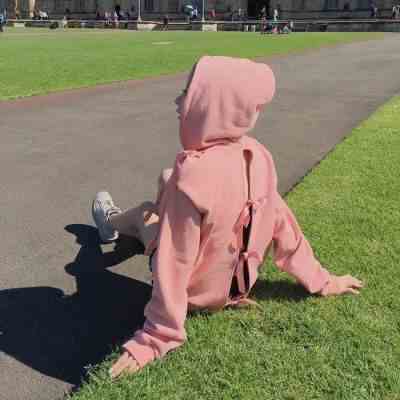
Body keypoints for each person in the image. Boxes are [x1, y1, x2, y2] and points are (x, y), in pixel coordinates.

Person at [91, 56, 364, 378]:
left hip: (196, 294)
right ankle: (143, 213)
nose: (178, 101)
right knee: (166, 179)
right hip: (238, 288)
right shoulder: (259, 156)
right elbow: (284, 225)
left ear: (212, 105)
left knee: (144, 215)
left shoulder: (192, 173)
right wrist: (324, 281)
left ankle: (109, 222)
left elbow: (175, 260)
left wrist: (157, 336)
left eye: (188, 94)